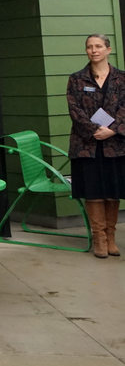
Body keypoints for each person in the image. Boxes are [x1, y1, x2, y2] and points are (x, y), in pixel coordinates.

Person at [66, 33, 125, 258]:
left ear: (108, 50)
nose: (94, 50)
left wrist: (113, 129)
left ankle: (111, 237)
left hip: (116, 144)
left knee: (112, 192)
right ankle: (99, 238)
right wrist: (94, 131)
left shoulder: (122, 78)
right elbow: (75, 110)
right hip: (86, 145)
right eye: (90, 47)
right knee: (93, 192)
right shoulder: (76, 79)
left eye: (98, 46)